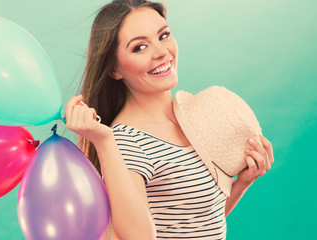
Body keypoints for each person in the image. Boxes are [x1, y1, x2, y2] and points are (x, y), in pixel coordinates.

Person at [64, 0, 274, 239]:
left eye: (163, 35)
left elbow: (194, 223)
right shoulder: (126, 141)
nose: (162, 52)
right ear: (114, 69)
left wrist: (242, 183)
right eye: (140, 47)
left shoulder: (193, 118)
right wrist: (103, 141)